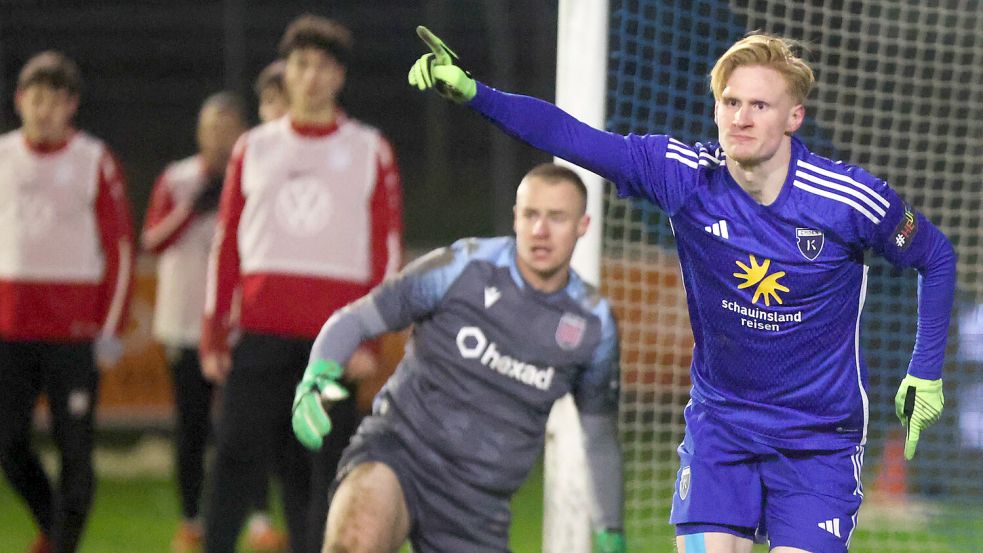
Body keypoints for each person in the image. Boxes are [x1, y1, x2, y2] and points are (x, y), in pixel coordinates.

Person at [407, 28, 956, 553]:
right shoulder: (683, 177)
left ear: (794, 117)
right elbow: (570, 137)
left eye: (759, 106)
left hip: (816, 441)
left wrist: (926, 369)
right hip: (721, 431)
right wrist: (476, 93)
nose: (740, 118)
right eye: (730, 102)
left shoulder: (846, 200)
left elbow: (935, 254)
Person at [291, 163, 626, 553]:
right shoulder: (461, 267)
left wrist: (610, 528)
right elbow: (357, 320)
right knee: (354, 540)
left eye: (557, 217)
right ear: (515, 217)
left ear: (582, 225)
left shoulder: (593, 324)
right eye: (531, 215)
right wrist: (315, 375)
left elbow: (598, 433)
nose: (540, 230)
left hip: (478, 508)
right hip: (400, 453)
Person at [200, 15, 402, 553]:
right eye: (300, 64)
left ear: (339, 77)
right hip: (261, 337)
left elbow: (386, 252)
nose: (310, 76)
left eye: (322, 66)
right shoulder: (254, 148)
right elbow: (226, 246)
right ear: (286, 73)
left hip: (335, 345)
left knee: (324, 475)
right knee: (235, 462)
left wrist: (369, 339)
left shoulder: (369, 149)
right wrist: (214, 332)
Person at [0, 51, 136, 553]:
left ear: (71, 106)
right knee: (9, 445)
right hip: (9, 331)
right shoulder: (3, 156)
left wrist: (110, 327)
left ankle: (61, 543)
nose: (43, 110)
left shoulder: (94, 160)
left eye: (55, 101)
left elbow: (120, 245)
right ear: (19, 101)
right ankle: (53, 531)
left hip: (73, 335)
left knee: (75, 453)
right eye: (35, 98)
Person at [140, 91, 267, 552]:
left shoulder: (258, 175)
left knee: (247, 427)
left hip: (238, 325)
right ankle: (191, 521)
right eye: (212, 127)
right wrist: (191, 208)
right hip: (182, 322)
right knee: (191, 427)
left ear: (243, 132)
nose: (220, 136)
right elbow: (150, 241)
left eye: (229, 127)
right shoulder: (177, 180)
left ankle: (259, 520)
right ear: (199, 132)